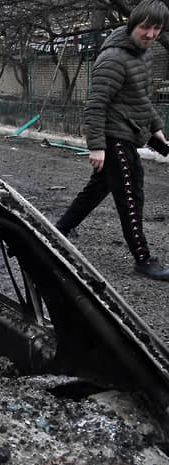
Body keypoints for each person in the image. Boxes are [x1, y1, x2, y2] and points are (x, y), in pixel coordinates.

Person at [55, 0, 169, 280]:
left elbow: (140, 99)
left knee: (96, 190)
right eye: (146, 27)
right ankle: (143, 259)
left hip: (129, 131)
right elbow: (95, 105)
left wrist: (157, 131)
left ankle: (58, 232)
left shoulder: (143, 54)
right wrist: (96, 146)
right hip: (115, 137)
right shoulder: (114, 58)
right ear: (133, 24)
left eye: (157, 28)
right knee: (131, 197)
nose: (151, 34)